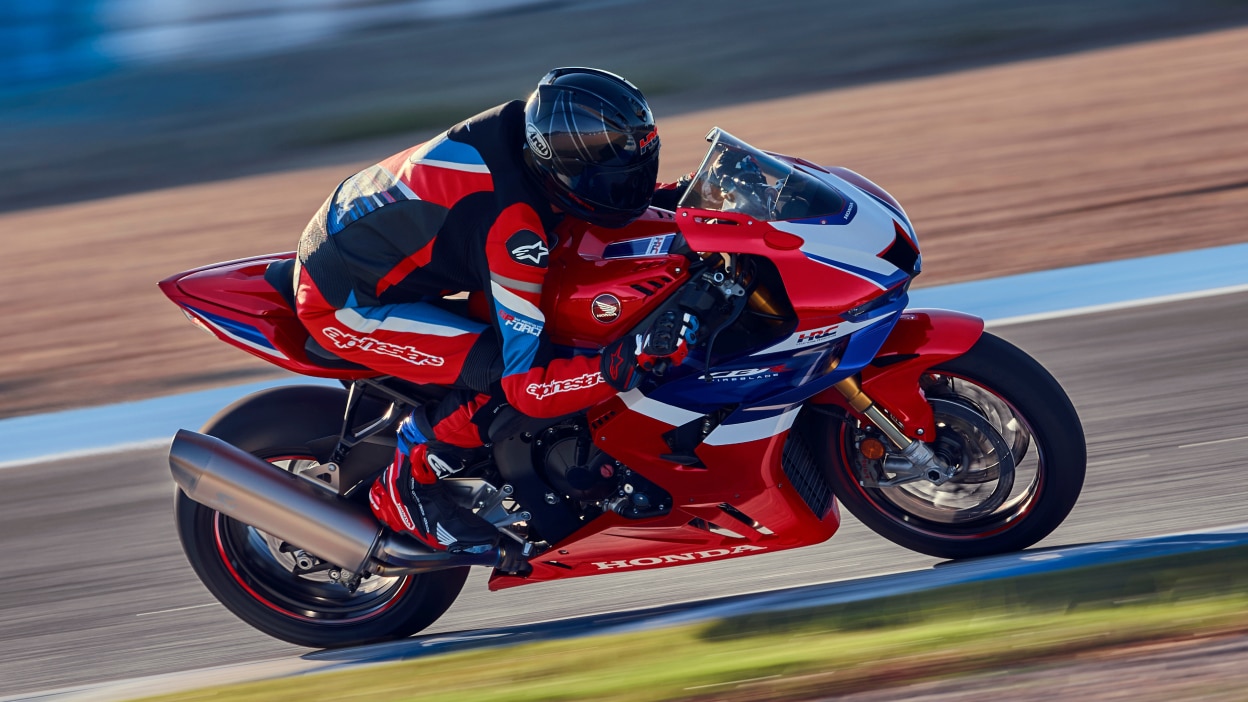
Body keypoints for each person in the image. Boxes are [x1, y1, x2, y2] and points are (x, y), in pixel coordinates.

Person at [294, 68, 691, 553]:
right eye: (614, 181)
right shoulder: (515, 229)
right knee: (500, 373)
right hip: (348, 303)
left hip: (365, 240)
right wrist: (619, 365)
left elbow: (608, 205)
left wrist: (682, 200)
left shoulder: (526, 132)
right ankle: (408, 478)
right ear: (562, 167)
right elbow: (529, 389)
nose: (629, 186)